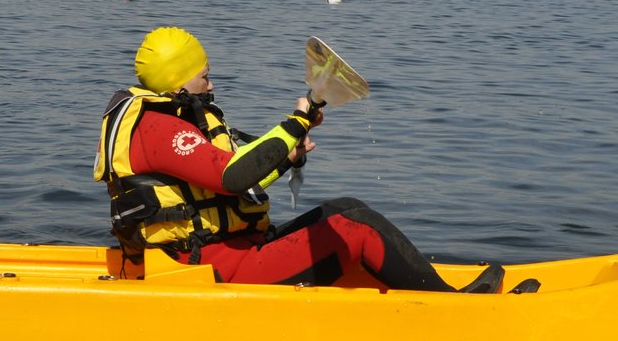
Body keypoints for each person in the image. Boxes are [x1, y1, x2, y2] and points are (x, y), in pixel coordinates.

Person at [94, 26, 505, 293]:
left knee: (346, 208)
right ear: (177, 80)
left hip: (230, 251)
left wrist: (287, 157)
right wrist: (299, 116)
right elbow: (232, 176)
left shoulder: (176, 121)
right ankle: (452, 310)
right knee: (356, 229)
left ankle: (426, 290)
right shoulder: (157, 129)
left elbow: (230, 184)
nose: (211, 83)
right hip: (207, 271)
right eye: (204, 75)